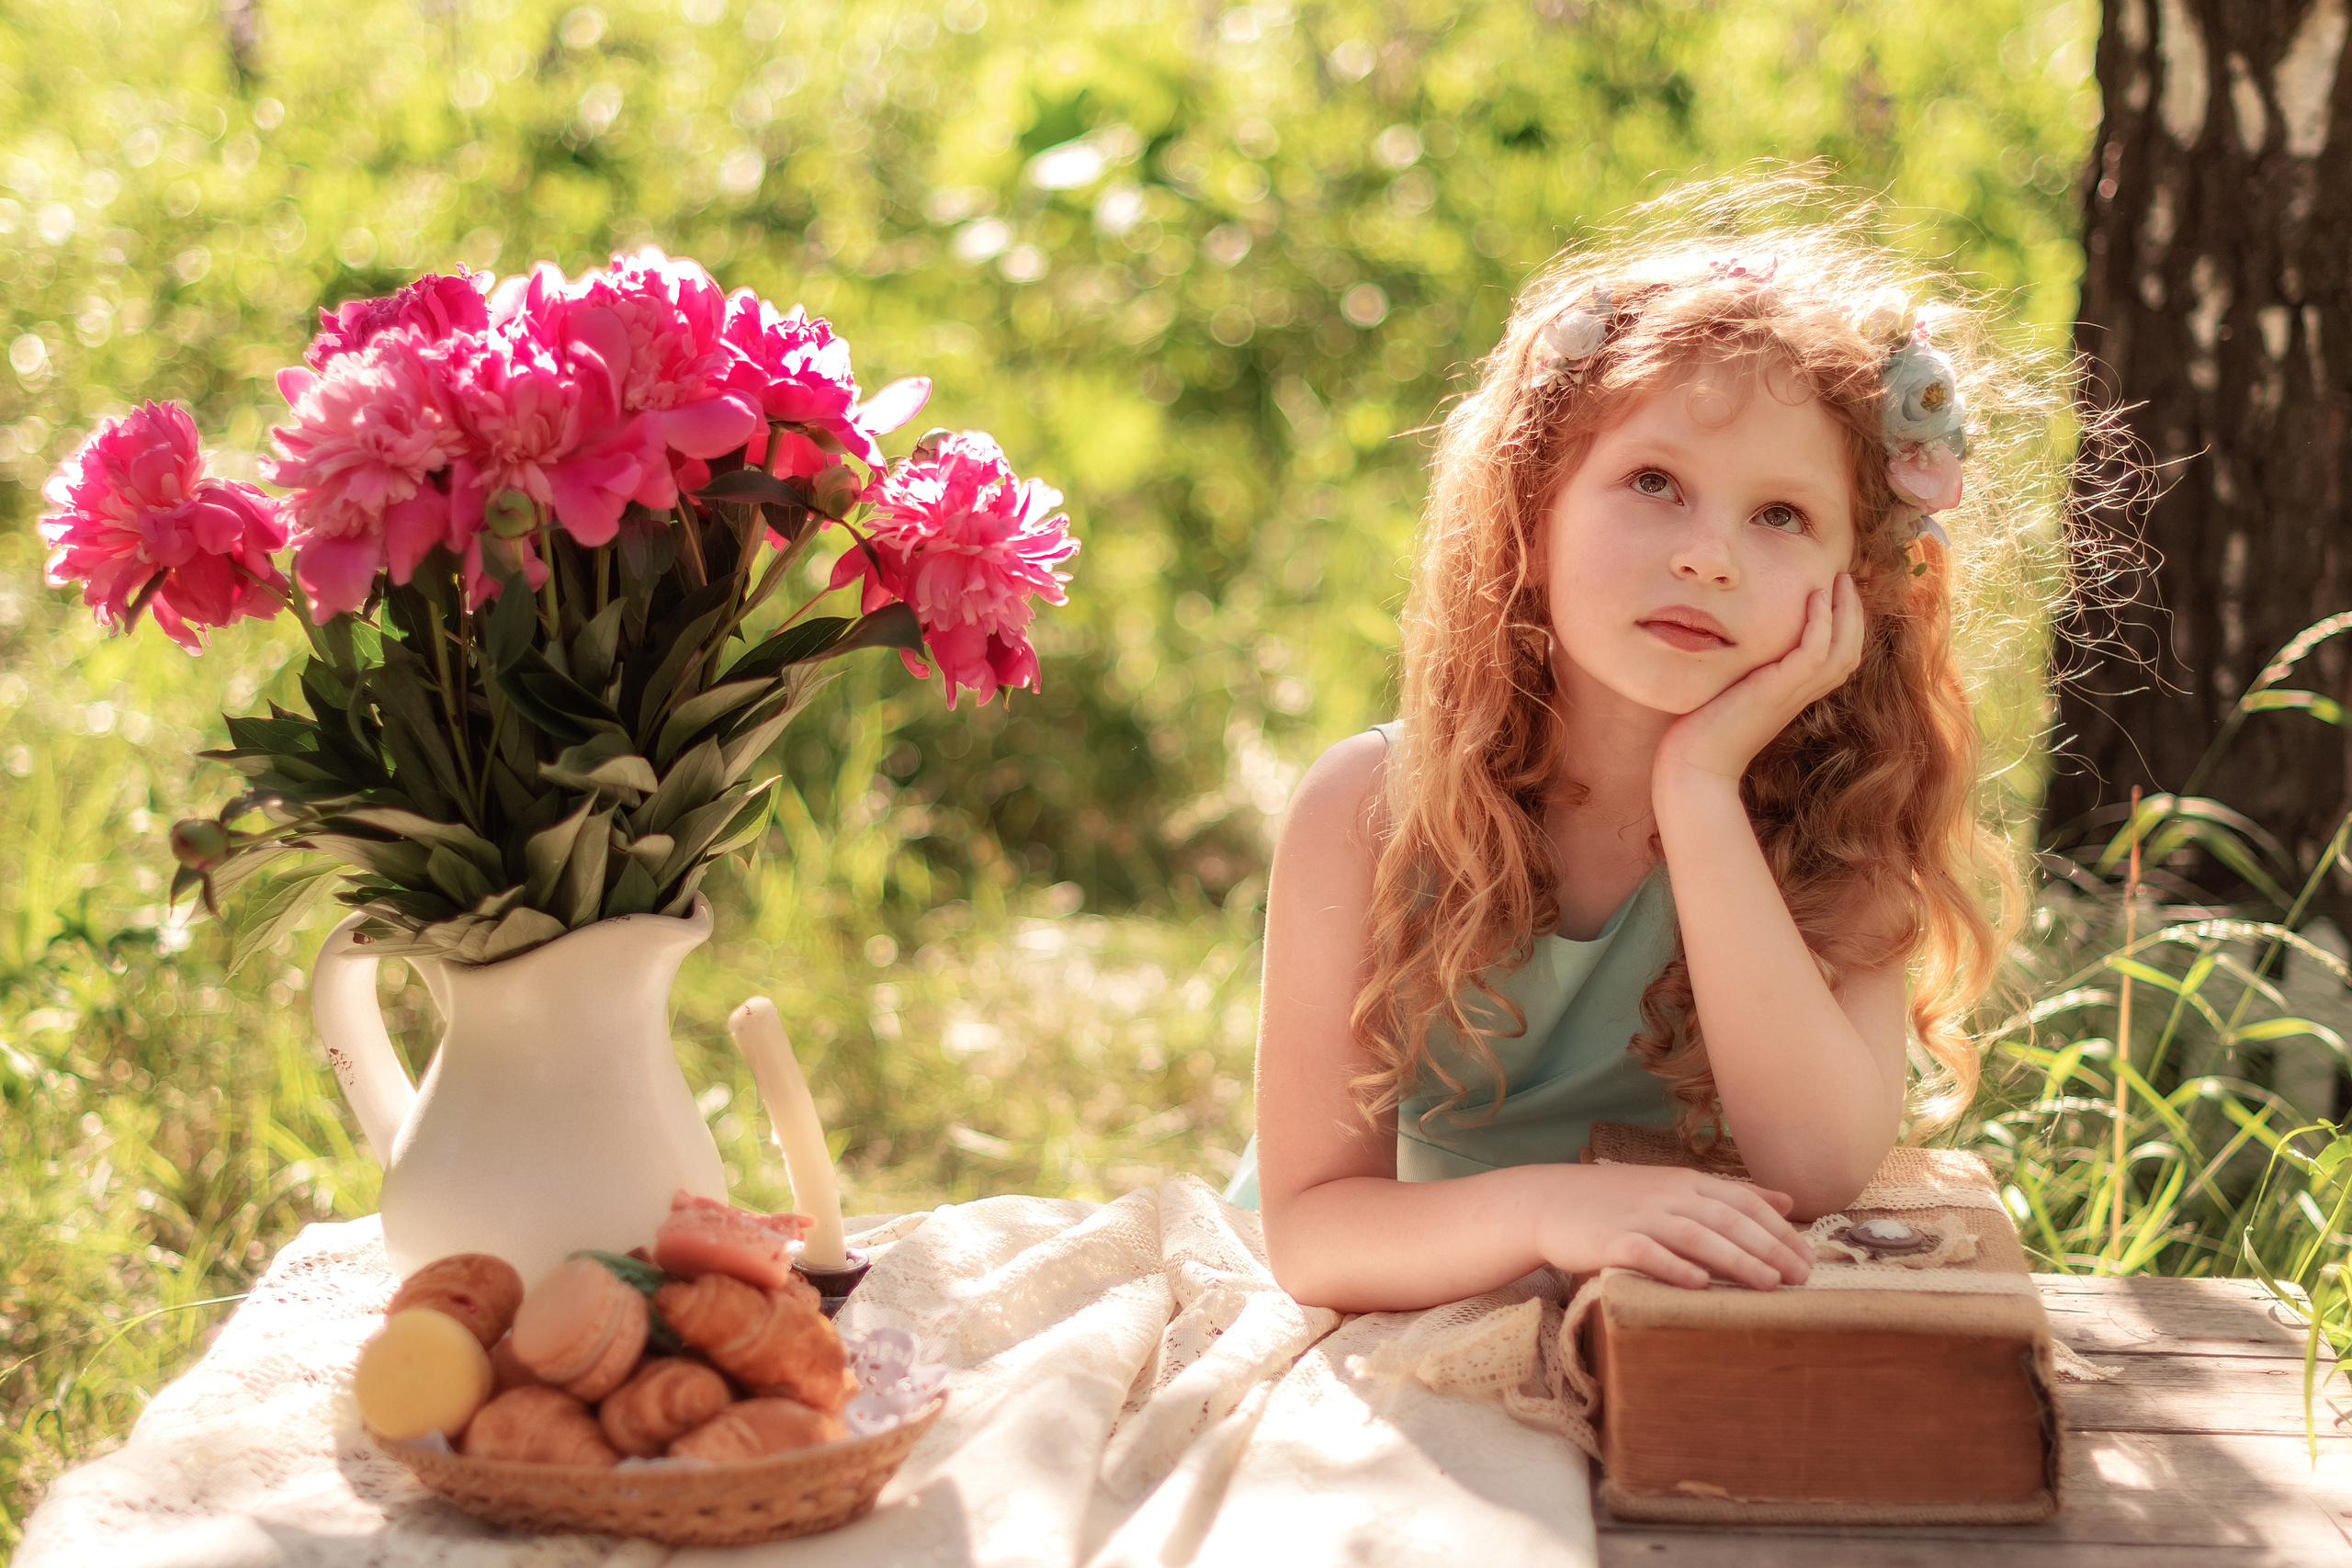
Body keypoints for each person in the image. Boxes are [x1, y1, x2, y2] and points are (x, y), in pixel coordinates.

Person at [1227, 184, 2057, 1314]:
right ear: (1532, 518)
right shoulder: (1372, 806)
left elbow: (1814, 1168)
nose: (1708, 556)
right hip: (1384, 1305)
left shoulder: (1834, 831)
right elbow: (1316, 1236)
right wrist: (1552, 1211)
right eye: (1652, 484)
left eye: (1780, 516)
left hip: (1664, 1316)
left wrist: (1701, 788)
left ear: (1855, 588)